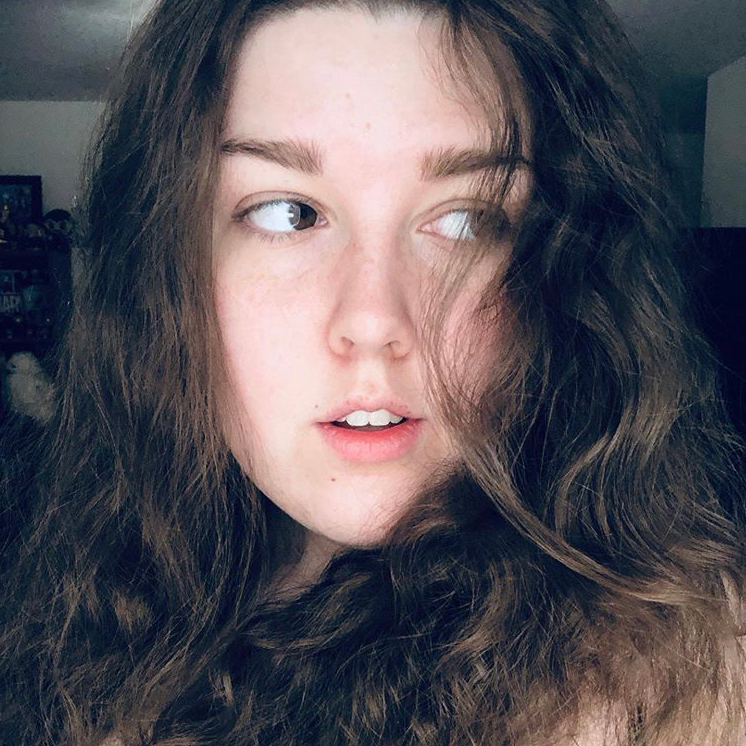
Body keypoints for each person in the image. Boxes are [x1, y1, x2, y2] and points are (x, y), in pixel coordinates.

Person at [1, 0, 744, 744]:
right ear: (166, 272)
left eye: (466, 219)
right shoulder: (96, 600)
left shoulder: (675, 678)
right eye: (288, 213)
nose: (372, 321)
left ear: (569, 273)